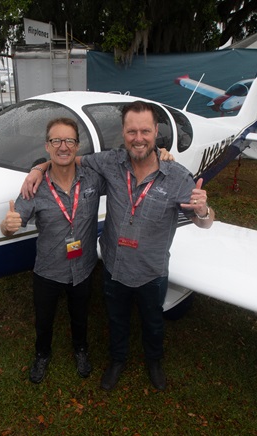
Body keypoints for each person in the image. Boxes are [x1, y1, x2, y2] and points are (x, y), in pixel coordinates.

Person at [23, 101, 214, 392]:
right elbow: (66, 156)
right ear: (123, 133)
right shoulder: (110, 162)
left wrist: (203, 211)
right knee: (117, 319)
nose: (139, 138)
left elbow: (205, 222)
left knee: (153, 322)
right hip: (113, 266)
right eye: (132, 131)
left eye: (145, 131)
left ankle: (154, 361)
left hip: (152, 270)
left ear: (156, 132)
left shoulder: (177, 177)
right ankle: (117, 360)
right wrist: (39, 167)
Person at [1, 118, 105, 383]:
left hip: (83, 266)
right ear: (47, 146)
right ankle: (42, 354)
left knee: (80, 316)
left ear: (77, 146)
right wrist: (7, 226)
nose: (63, 146)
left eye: (69, 140)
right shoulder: (34, 187)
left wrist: (161, 155)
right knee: (44, 320)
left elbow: (127, 169)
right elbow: (11, 224)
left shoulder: (93, 178)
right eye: (56, 140)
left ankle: (80, 350)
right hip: (47, 269)